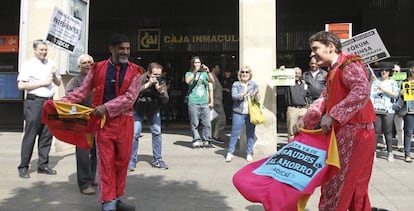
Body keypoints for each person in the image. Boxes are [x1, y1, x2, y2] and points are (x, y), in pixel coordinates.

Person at [292, 31, 376, 210]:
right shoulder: (334, 69)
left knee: (338, 184)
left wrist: (334, 115)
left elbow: (361, 90)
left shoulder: (349, 63)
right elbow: (324, 98)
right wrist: (305, 121)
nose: (311, 54)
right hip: (348, 132)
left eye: (315, 48)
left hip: (356, 132)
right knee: (347, 185)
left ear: (330, 47)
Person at [61, 33, 141, 211]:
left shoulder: (136, 71)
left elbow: (130, 98)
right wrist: (61, 102)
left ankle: (117, 197)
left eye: (128, 48)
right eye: (121, 48)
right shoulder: (97, 69)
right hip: (104, 123)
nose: (125, 52)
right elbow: (82, 91)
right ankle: (108, 202)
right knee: (105, 163)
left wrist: (106, 107)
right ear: (111, 49)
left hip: (125, 122)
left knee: (122, 162)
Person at [16, 39, 62, 179]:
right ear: (35, 50)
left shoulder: (51, 63)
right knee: (31, 135)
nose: (44, 52)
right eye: (41, 50)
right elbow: (21, 86)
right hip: (34, 102)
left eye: (45, 49)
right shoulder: (28, 64)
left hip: (49, 102)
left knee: (47, 135)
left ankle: (43, 165)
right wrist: (42, 83)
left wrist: (54, 75)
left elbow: (58, 83)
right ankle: (23, 166)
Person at [128, 62, 169, 171]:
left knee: (157, 132)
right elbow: (132, 93)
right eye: (155, 75)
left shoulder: (161, 81)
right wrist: (148, 85)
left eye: (159, 75)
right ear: (149, 73)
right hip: (138, 108)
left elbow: (166, 100)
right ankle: (131, 160)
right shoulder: (139, 78)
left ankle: (158, 159)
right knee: (134, 134)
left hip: (153, 108)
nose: (157, 77)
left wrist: (161, 91)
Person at [65, 54, 97, 195]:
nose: (87, 64)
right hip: (82, 121)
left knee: (96, 151)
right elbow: (69, 97)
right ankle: (84, 184)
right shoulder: (75, 80)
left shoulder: (98, 80)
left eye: (90, 62)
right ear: (79, 66)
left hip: (97, 119)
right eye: (84, 62)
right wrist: (86, 88)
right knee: (83, 153)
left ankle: (91, 177)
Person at [225, 66, 259, 162]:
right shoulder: (236, 84)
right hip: (238, 112)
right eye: (242, 72)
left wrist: (256, 95)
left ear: (250, 74)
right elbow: (234, 97)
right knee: (235, 133)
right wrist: (244, 94)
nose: (244, 74)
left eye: (247, 72)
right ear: (240, 74)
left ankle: (249, 153)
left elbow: (257, 99)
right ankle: (230, 152)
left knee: (250, 133)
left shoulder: (254, 84)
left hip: (250, 113)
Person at [371, 61, 399, 162]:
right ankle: (373, 153)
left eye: (386, 70)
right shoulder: (375, 81)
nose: (384, 72)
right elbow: (370, 95)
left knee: (388, 131)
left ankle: (390, 152)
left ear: (390, 72)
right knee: (376, 131)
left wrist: (384, 90)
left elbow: (395, 95)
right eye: (382, 70)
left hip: (388, 109)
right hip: (376, 109)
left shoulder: (393, 82)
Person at [184, 56, 215, 148]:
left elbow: (212, 81)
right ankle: (196, 140)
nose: (197, 64)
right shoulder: (189, 73)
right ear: (192, 64)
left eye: (198, 62)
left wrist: (208, 71)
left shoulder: (205, 74)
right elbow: (187, 81)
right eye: (195, 62)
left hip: (204, 101)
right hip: (193, 101)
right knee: (194, 123)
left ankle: (206, 140)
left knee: (207, 123)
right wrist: (195, 71)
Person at [285, 66, 308, 141]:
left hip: (303, 109)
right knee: (291, 131)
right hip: (292, 109)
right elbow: (280, 78)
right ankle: (291, 148)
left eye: (298, 73)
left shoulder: (304, 84)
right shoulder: (288, 83)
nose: (297, 75)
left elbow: (308, 95)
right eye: (295, 73)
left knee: (304, 130)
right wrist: (282, 70)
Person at [401, 60, 414, 163]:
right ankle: (407, 154)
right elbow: (402, 98)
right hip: (409, 110)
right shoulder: (405, 81)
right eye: (411, 68)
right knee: (408, 132)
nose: (413, 70)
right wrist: (401, 93)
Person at [210, 64, 226, 144]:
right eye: (217, 68)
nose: (219, 69)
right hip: (216, 101)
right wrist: (212, 101)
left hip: (217, 100)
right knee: (221, 119)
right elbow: (211, 90)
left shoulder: (215, 77)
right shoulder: (212, 77)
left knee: (214, 120)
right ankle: (215, 136)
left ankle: (213, 135)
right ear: (213, 68)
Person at [391, 64, 404, 151]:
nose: (395, 73)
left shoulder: (403, 82)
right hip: (388, 106)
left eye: (397, 71)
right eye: (393, 71)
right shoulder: (387, 81)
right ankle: (385, 145)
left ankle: (400, 145)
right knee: (386, 128)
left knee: (399, 128)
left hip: (399, 107)